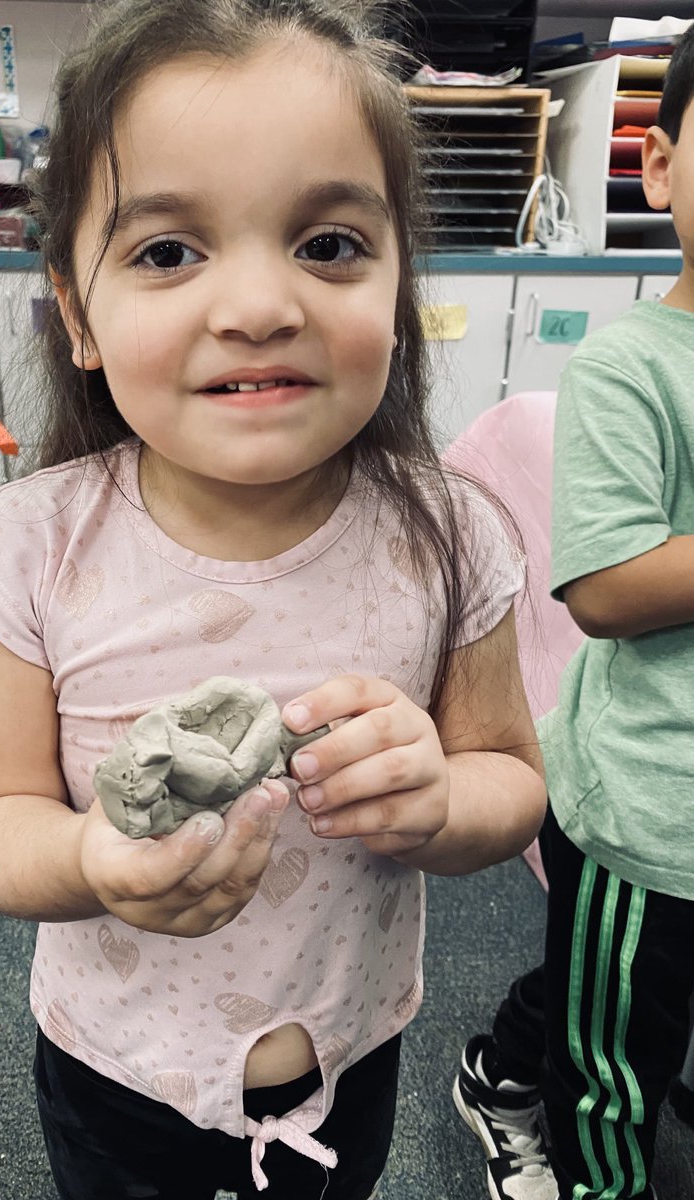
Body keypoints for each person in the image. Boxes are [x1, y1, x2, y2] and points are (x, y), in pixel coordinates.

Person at [0, 2, 546, 1197]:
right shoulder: (27, 551)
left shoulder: (454, 532)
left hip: (350, 1057)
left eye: (327, 244)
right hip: (121, 1072)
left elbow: (512, 786)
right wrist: (91, 860)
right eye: (168, 251)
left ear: (401, 276)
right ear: (77, 313)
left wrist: (440, 798)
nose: (260, 305)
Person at [453, 23, 694, 1200]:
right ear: (658, 168)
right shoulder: (635, 369)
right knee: (608, 1048)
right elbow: (605, 590)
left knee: (628, 998)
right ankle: (510, 1091)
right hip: (647, 815)